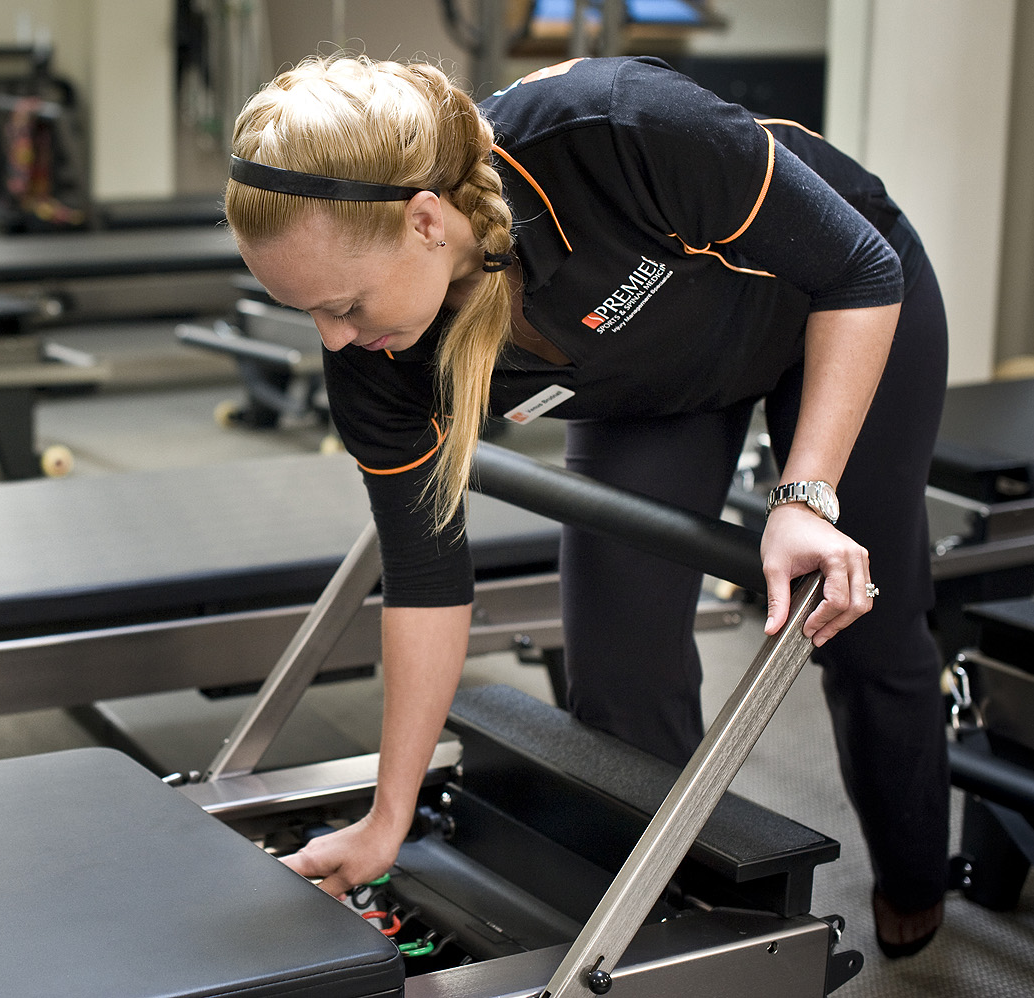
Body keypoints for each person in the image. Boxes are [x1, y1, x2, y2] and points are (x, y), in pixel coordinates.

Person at [224, 54, 950, 959]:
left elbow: (858, 269)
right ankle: (691, 935)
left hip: (837, 304)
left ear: (424, 221)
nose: (335, 339)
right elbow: (424, 577)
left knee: (861, 625)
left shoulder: (612, 129)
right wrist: (387, 817)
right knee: (618, 662)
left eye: (343, 304)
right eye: (308, 315)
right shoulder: (374, 356)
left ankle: (919, 874)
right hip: (654, 383)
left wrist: (803, 496)